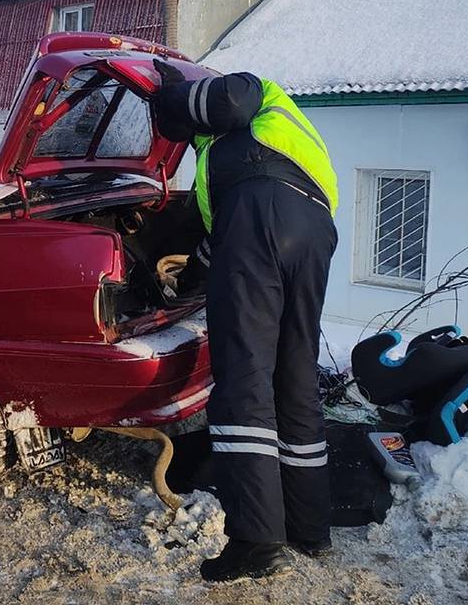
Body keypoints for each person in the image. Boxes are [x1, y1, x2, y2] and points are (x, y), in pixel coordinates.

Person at [150, 69, 339, 582]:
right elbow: (229, 237)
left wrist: (165, 99)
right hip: (313, 231)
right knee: (294, 380)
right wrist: (191, 275)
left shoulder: (250, 95)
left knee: (242, 383)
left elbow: (232, 97)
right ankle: (309, 528)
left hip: (264, 223)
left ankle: (255, 543)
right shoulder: (253, 150)